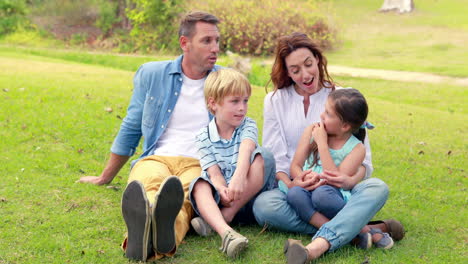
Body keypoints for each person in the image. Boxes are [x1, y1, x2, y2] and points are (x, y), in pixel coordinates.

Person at [77, 11, 229, 262]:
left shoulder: (225, 79)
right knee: (145, 189)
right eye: (207, 41)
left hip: (200, 163)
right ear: (184, 43)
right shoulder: (152, 74)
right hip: (156, 158)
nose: (215, 48)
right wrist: (105, 177)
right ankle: (152, 234)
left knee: (183, 201)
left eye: (217, 41)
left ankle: (139, 243)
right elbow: (132, 126)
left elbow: (239, 132)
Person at [251, 33, 404, 263]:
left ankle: (329, 238)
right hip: (296, 187)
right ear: (287, 72)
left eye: (308, 64)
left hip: (338, 190)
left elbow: (364, 163)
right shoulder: (274, 100)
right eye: (295, 70)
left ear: (318, 59)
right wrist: (295, 182)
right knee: (263, 207)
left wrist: (348, 181)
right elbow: (278, 158)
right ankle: (363, 230)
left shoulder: (343, 97)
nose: (305, 74)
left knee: (377, 187)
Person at [286, 88, 393, 252]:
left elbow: (333, 180)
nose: (322, 116)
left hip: (331, 194)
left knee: (321, 195)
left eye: (328, 114)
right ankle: (362, 231)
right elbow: (295, 166)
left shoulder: (357, 149)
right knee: (293, 194)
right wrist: (302, 178)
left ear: (345, 126)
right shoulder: (312, 130)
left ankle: (348, 232)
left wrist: (322, 145)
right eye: (324, 110)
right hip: (307, 188)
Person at [188, 68, 275, 258]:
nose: (242, 107)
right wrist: (221, 189)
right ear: (213, 103)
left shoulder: (247, 124)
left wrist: (238, 178)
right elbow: (214, 173)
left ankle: (224, 217)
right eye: (234, 101)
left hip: (250, 198)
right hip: (224, 197)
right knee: (199, 184)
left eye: (245, 101)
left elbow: (246, 150)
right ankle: (226, 232)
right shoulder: (203, 137)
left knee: (263, 156)